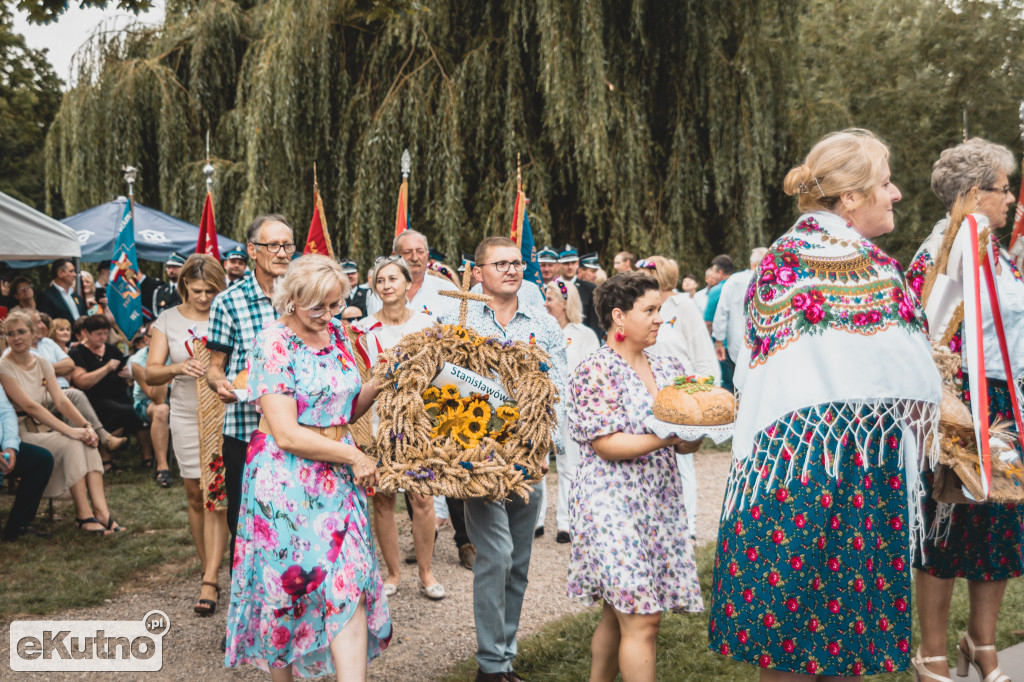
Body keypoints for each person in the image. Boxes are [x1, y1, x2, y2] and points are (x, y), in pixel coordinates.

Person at [707, 129, 942, 678]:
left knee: (783, 641)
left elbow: (758, 372)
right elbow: (915, 385)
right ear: (852, 198)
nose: (897, 193)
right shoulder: (872, 269)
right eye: (886, 182)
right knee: (841, 639)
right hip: (854, 469)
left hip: (780, 468)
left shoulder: (779, 261)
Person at [224, 254, 391, 679]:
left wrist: (380, 381)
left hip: (336, 480)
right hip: (285, 482)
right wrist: (356, 457)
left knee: (348, 584)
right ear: (292, 299)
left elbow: (344, 409)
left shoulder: (336, 332)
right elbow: (287, 433)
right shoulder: (272, 342)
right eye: (319, 306)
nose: (329, 315)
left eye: (336, 304)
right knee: (289, 591)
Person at [906, 138, 1023, 682]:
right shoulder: (948, 245)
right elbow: (928, 332)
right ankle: (930, 651)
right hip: (958, 400)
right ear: (976, 194)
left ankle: (981, 642)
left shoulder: (994, 248)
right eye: (1005, 188)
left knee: (997, 521)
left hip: (1000, 398)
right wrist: (945, 412)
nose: (1012, 199)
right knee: (946, 524)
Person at [441, 236, 568, 682]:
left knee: (518, 561)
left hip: (527, 455)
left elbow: (560, 387)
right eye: (500, 263)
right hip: (477, 455)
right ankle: (490, 666)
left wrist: (547, 445)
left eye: (516, 263)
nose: (512, 270)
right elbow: (435, 383)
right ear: (478, 272)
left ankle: (504, 656)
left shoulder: (543, 323)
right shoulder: (455, 315)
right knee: (495, 554)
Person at [567, 271, 704, 681]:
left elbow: (686, 441)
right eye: (650, 310)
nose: (660, 318)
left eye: (660, 309)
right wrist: (668, 438)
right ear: (619, 317)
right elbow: (606, 443)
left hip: (658, 501)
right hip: (609, 503)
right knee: (643, 617)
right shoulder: (595, 370)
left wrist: (695, 433)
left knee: (617, 612)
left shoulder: (669, 366)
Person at [207, 214, 295, 569]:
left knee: (294, 521)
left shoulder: (303, 296)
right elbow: (216, 366)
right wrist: (221, 383)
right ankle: (245, 614)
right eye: (272, 245)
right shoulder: (228, 302)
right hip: (245, 431)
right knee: (244, 525)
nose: (282, 252)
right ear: (252, 251)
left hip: (298, 430)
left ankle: (292, 610)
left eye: (287, 244)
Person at [355, 257, 444, 599]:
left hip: (418, 422)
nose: (387, 284)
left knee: (422, 497)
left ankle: (426, 571)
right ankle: (392, 573)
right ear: (375, 288)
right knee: (383, 499)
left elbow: (439, 371)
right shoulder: (362, 330)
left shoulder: (427, 325)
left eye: (394, 278)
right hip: (376, 422)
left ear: (408, 284)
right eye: (381, 280)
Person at [148, 254, 230, 616]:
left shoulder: (226, 314)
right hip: (184, 412)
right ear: (184, 286)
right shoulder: (167, 320)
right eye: (197, 290)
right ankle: (207, 565)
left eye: (211, 290)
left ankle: (211, 578)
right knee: (196, 493)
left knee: (220, 493)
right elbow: (150, 373)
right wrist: (177, 367)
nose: (204, 297)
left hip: (226, 413)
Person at [0, 311, 126, 534]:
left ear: (32, 333)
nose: (16, 338)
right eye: (10, 334)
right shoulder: (4, 366)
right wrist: (71, 431)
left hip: (45, 426)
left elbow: (61, 399)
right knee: (72, 442)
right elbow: (31, 407)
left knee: (88, 440)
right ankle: (83, 515)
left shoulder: (41, 361)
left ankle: (102, 512)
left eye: (21, 332)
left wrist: (86, 426)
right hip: (21, 431)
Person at [643, 254, 719, 539]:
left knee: (681, 459)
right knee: (651, 457)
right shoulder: (643, 308)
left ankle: (687, 528)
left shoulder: (683, 306)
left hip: (683, 393)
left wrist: (705, 397)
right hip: (647, 393)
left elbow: (703, 353)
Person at [542, 278, 600, 544]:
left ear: (565, 303)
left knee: (568, 465)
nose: (546, 304)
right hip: (543, 406)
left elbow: (593, 371)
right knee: (537, 462)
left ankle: (566, 522)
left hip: (572, 407)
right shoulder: (540, 331)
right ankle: (536, 519)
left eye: (550, 299)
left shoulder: (584, 334)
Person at [68, 314, 143, 468]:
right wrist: (106, 368)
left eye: (105, 333)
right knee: (120, 412)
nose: (102, 337)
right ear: (86, 333)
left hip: (119, 394)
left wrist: (127, 375)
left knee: (137, 408)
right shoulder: (78, 353)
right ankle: (105, 456)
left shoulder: (111, 349)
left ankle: (146, 457)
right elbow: (81, 382)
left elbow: (123, 368)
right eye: (98, 334)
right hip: (94, 398)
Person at [0, 382, 54, 541]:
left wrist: (10, 446)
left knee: (41, 460)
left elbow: (6, 412)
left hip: (3, 447)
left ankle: (18, 526)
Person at [364, 230, 458, 320]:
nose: (414, 258)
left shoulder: (448, 292)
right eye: (407, 252)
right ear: (394, 256)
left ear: (427, 255)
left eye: (420, 251)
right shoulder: (380, 295)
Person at [712, 248, 767, 392]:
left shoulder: (734, 280)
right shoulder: (772, 280)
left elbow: (722, 312)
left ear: (752, 263)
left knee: (738, 386)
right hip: (763, 345)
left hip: (736, 343)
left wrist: (718, 341)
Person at [128, 324, 172, 484]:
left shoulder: (178, 353)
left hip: (178, 399)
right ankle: (162, 467)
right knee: (162, 409)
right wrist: (161, 366)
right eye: (157, 337)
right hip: (147, 402)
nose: (163, 341)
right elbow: (158, 398)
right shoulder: (138, 361)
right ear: (146, 340)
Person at [559, 245, 602, 340]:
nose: (570, 267)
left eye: (573, 263)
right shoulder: (553, 288)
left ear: (577, 263)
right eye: (566, 263)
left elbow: (595, 323)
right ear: (559, 264)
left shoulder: (590, 289)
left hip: (583, 341)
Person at [702, 254, 734, 333]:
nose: (712, 275)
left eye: (713, 271)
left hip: (720, 341)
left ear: (720, 272)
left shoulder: (716, 290)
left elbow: (708, 322)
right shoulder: (741, 286)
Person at [153, 252, 185, 317]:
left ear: (183, 268)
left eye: (175, 267)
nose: (171, 270)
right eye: (168, 267)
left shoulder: (188, 290)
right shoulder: (160, 291)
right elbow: (155, 315)